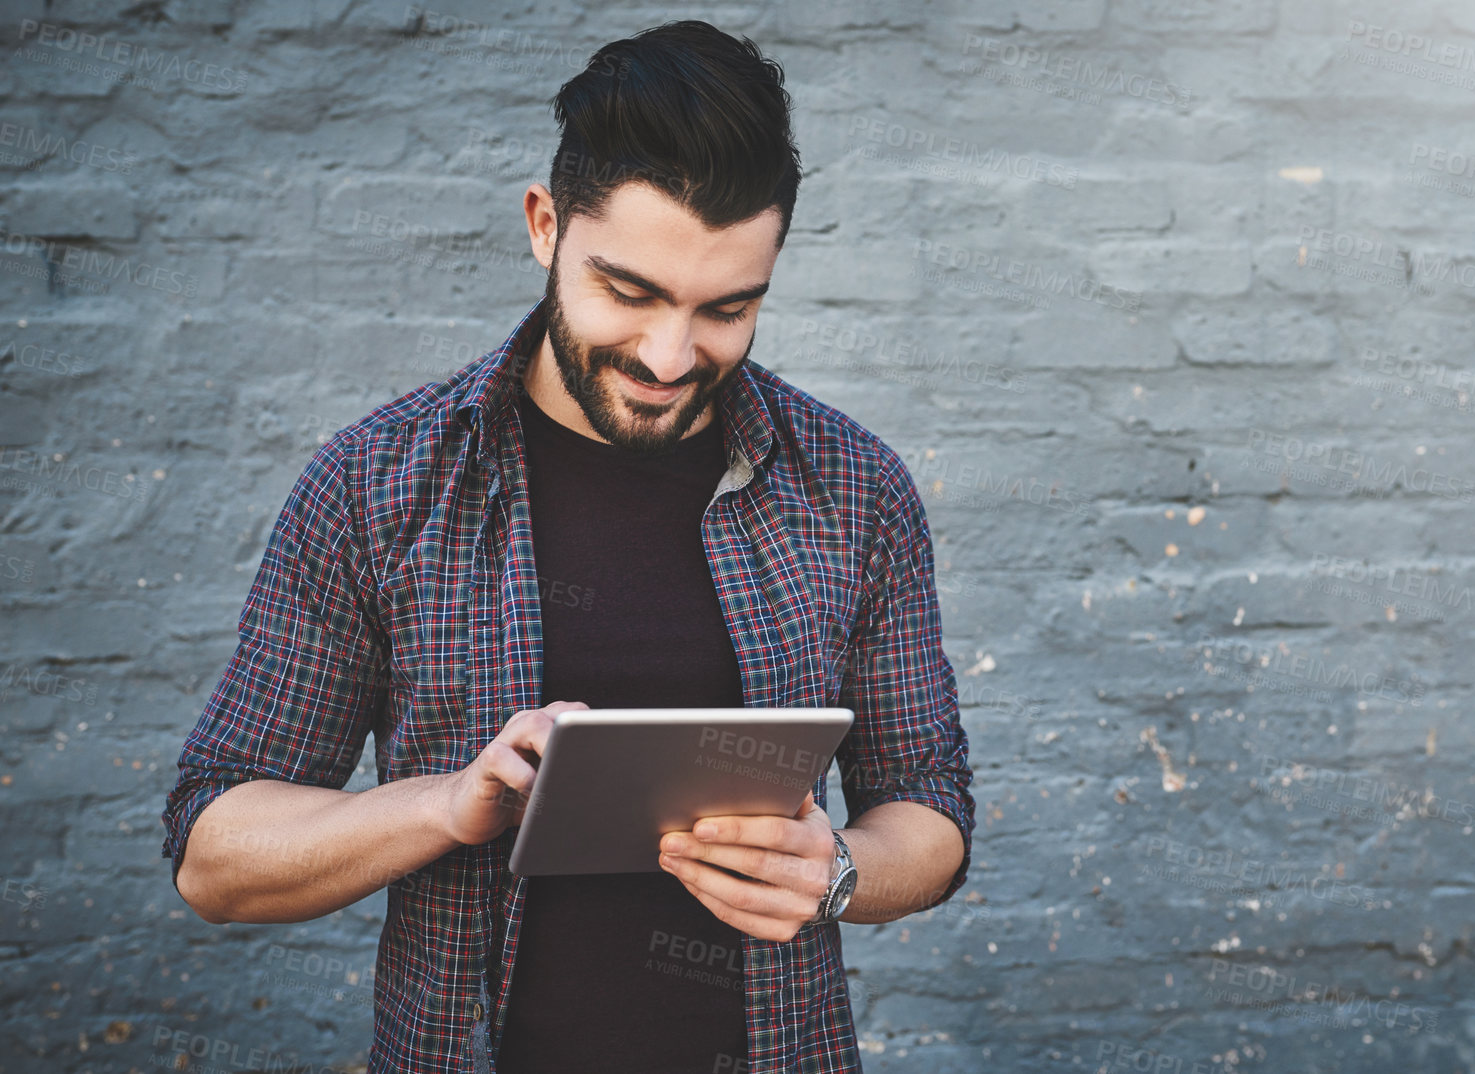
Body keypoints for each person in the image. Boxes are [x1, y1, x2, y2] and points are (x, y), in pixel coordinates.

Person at [159, 20, 975, 1074]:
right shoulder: (375, 484)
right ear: (545, 225)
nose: (671, 356)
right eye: (629, 293)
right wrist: (447, 805)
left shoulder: (854, 487)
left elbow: (932, 813)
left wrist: (840, 872)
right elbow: (214, 860)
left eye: (727, 309)